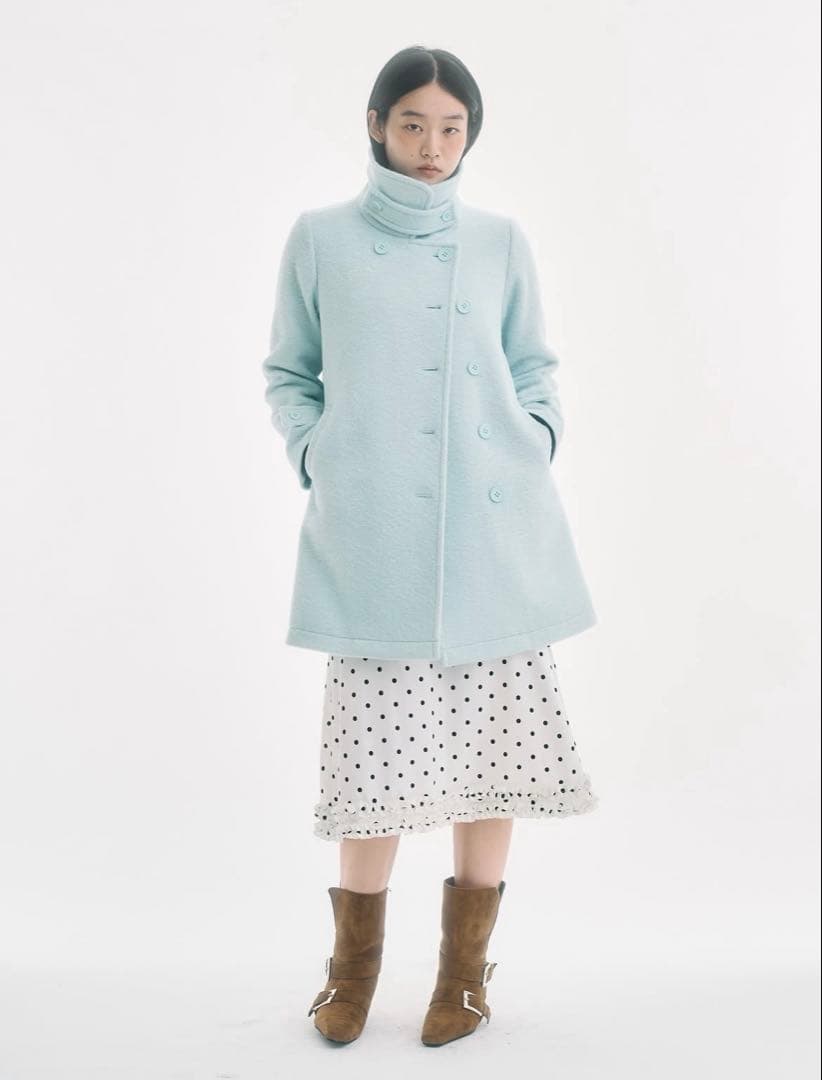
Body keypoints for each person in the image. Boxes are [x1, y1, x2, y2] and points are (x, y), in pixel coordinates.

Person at [261, 45, 599, 1047]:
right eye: (413, 123)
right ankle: (351, 976)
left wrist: (534, 436)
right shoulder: (320, 238)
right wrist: (318, 453)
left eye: (452, 128)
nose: (432, 145)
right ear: (377, 124)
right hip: (374, 540)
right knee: (370, 768)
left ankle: (463, 976)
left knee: (492, 756)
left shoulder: (499, 241)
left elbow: (534, 365)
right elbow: (289, 371)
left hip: (492, 534)